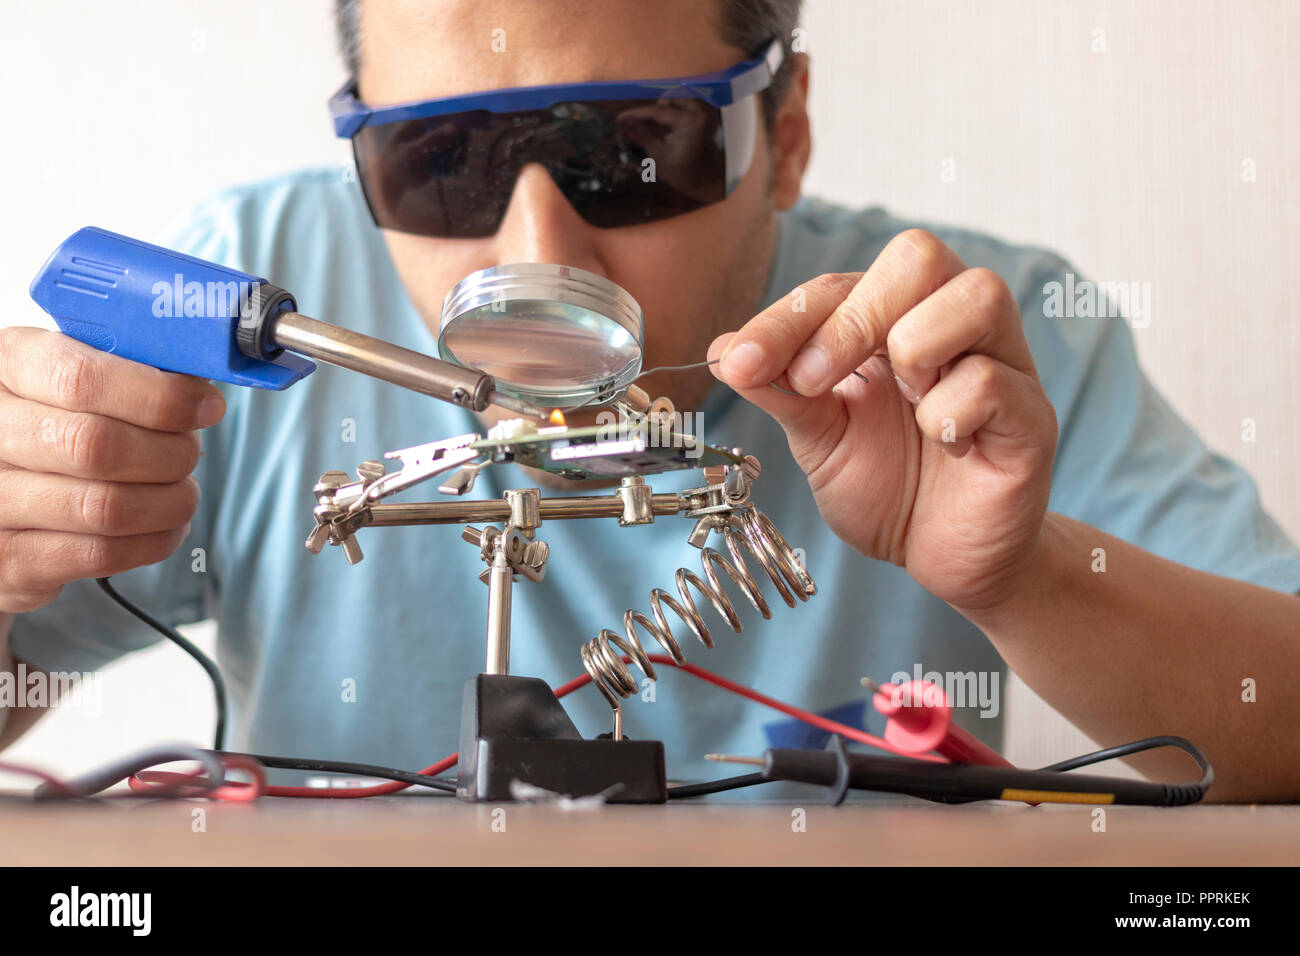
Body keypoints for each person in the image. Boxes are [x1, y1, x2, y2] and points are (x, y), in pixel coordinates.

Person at [2, 0, 1297, 801]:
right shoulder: (239, 312)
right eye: (437, 164)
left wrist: (1024, 577)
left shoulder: (964, 352)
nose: (541, 258)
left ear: (783, 130)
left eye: (624, 152)